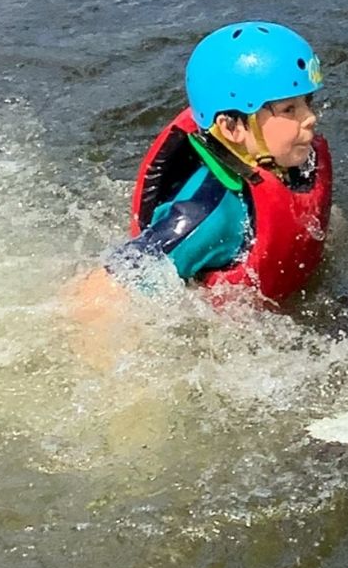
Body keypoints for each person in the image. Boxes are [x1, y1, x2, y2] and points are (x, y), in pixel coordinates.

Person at [67, 21, 332, 354]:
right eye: (289, 109)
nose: (310, 118)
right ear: (232, 128)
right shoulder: (208, 214)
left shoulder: (293, 158)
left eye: (307, 101)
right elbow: (100, 292)